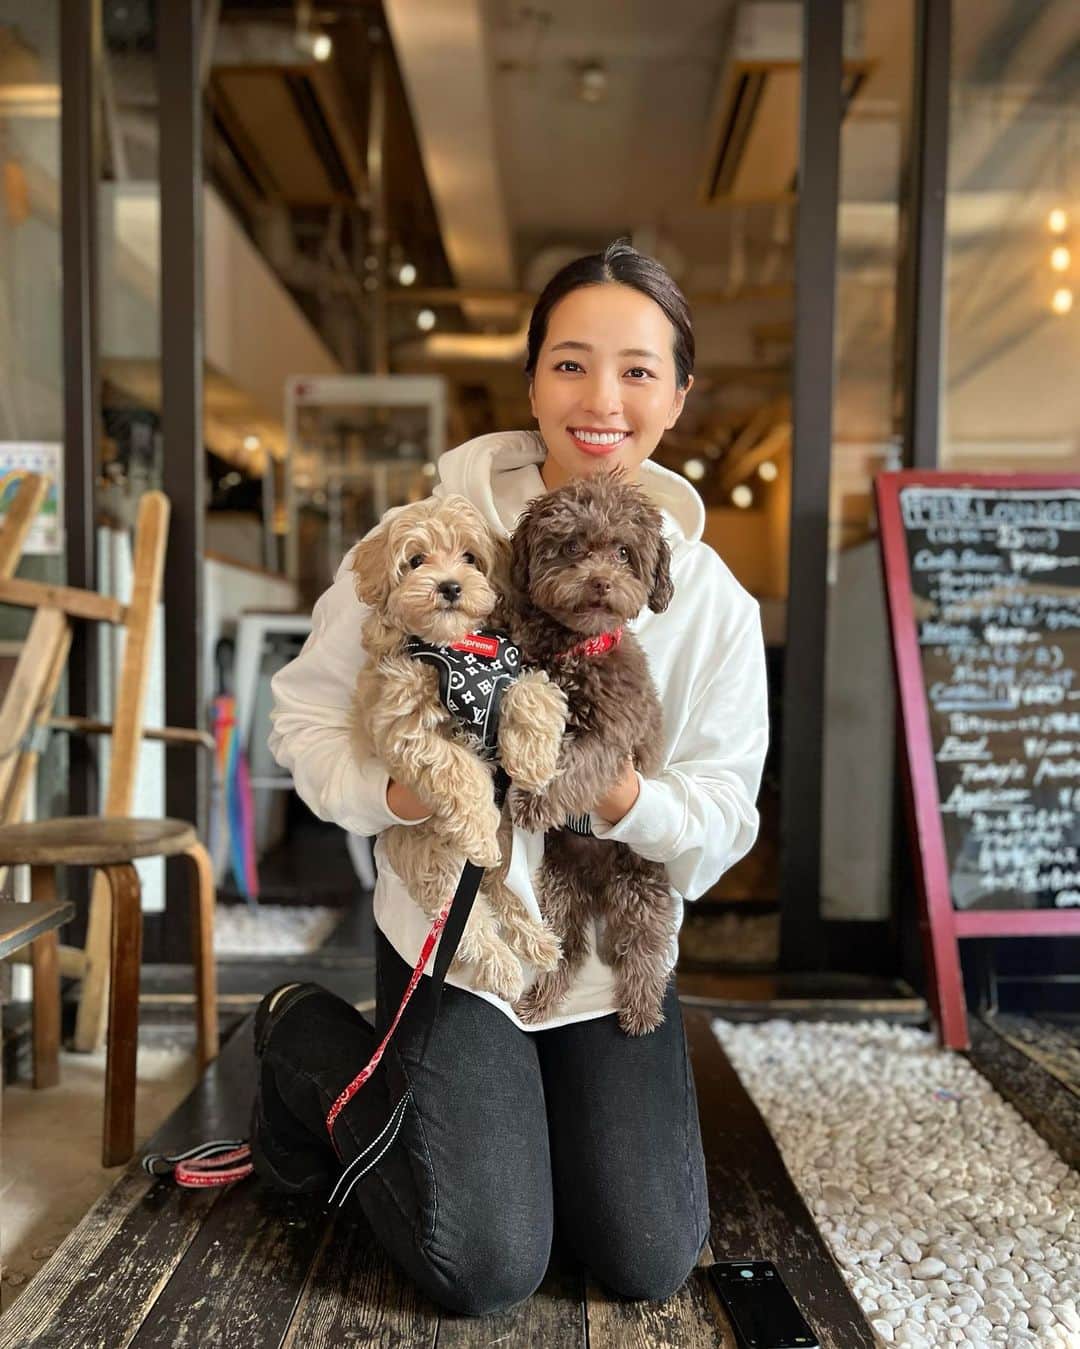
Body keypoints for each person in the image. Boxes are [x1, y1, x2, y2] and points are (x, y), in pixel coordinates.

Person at [256, 240, 770, 1315]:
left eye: (638, 369)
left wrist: (619, 796)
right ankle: (303, 1037)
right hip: (456, 932)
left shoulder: (712, 597)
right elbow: (302, 715)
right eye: (572, 362)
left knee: (642, 1253)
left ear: (679, 392)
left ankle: (528, 1122)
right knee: (484, 1262)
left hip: (598, 947)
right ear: (532, 377)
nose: (602, 400)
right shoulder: (434, 536)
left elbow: (726, 812)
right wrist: (400, 793)